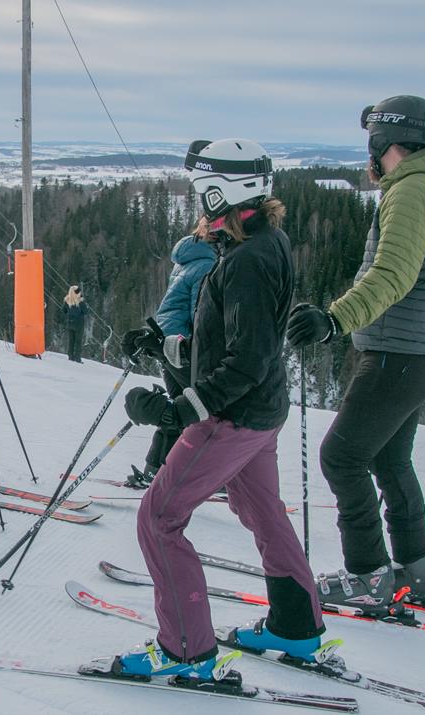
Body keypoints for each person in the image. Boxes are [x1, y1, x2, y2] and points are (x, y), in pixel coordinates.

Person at [103, 139, 325, 683]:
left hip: (231, 417)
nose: (197, 201)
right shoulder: (261, 242)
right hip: (260, 412)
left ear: (223, 190)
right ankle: (296, 625)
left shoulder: (247, 259)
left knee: (158, 518)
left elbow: (244, 359)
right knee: (262, 511)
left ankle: (185, 651)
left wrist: (178, 410)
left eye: (202, 189)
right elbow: (234, 330)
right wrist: (161, 337)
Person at [286, 95, 425, 616]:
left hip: (398, 354)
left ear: (383, 143)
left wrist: (333, 320)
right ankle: (417, 570)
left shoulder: (411, 191)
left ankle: (367, 575)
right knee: (390, 458)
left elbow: (391, 274)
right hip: (420, 353)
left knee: (341, 456)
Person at [121, 233, 217, 486]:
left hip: (166, 345)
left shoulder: (185, 260)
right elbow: (200, 313)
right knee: (202, 412)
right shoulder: (209, 264)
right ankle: (220, 478)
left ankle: (156, 469)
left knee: (178, 409)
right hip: (183, 349)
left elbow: (172, 309)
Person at [60, 285, 87, 363]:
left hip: (70, 323)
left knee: (71, 340)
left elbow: (64, 311)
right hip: (79, 324)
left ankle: (70, 356)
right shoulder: (80, 302)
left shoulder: (67, 301)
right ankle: (77, 358)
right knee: (78, 341)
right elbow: (86, 312)